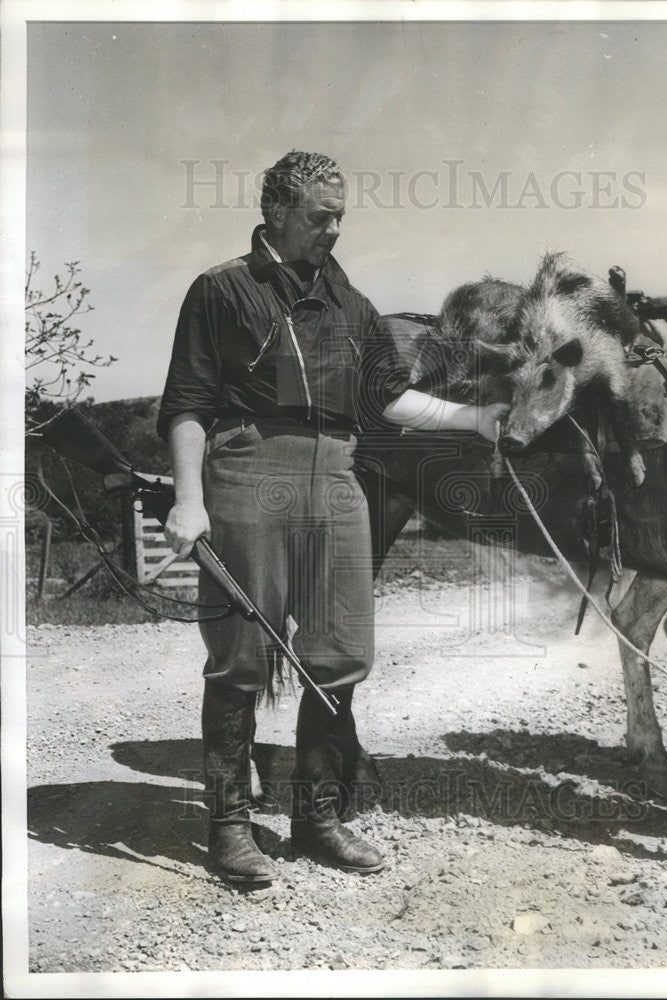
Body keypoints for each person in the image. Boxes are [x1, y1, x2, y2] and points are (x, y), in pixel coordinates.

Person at [158, 150, 508, 886]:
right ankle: (227, 826)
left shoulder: (354, 309)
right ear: (277, 212)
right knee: (242, 656)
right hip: (250, 472)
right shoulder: (222, 291)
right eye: (320, 217)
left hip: (339, 476)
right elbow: (187, 404)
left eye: (340, 217)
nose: (334, 230)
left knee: (339, 653)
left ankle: (316, 819)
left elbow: (386, 401)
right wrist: (189, 499)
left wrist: (476, 419)